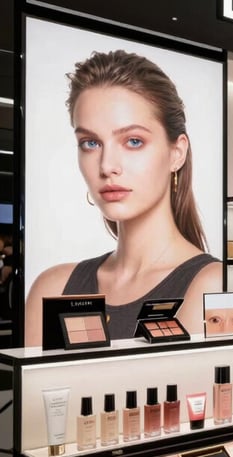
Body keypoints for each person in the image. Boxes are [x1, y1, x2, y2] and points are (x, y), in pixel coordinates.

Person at [25, 50, 222, 345]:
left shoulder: (211, 285)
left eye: (133, 141)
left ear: (177, 153)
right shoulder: (52, 287)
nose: (106, 166)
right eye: (90, 143)